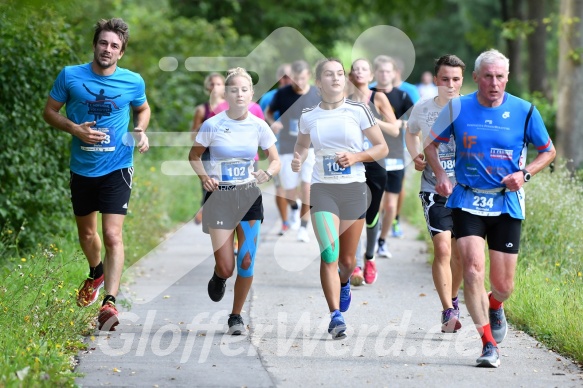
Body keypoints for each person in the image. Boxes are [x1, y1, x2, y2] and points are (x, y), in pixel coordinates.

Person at [426, 49, 556, 367]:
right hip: (467, 199)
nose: (494, 83)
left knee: (503, 285)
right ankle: (487, 344)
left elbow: (548, 151)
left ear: (507, 78)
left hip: (506, 202)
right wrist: (441, 176)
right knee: (471, 270)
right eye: (487, 76)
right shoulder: (458, 107)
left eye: (499, 76)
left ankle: (494, 304)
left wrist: (524, 174)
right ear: (476, 78)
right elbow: (430, 144)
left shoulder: (525, 111)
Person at [42, 18, 151, 331]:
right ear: (95, 45)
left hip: (117, 166)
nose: (108, 49)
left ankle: (110, 302)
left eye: (114, 46)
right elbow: (49, 112)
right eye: (103, 43)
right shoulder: (71, 76)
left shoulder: (133, 81)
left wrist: (140, 129)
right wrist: (74, 128)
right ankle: (95, 271)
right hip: (82, 168)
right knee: (88, 235)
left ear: (121, 53)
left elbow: (142, 108)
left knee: (113, 234)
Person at [292, 58, 388, 339]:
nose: (335, 79)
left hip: (354, 189)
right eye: (328, 75)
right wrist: (298, 158)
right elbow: (301, 143)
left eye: (339, 74)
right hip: (323, 189)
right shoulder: (309, 116)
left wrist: (356, 156)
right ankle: (335, 316)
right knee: (329, 254)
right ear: (318, 82)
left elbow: (381, 147)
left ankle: (344, 282)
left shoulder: (358, 111)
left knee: (346, 261)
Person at [189, 67, 280, 335]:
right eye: (234, 89)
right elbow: (194, 156)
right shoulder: (212, 124)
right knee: (227, 267)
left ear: (251, 94)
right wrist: (205, 177)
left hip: (249, 195)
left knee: (247, 261)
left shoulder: (258, 125)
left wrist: (268, 172)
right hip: (220, 198)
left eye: (244, 89)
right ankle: (219, 277)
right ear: (225, 93)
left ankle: (236, 316)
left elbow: (274, 159)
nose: (239, 94)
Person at [405, 54, 466, 333]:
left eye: (455, 79)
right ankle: (447, 310)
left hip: (466, 190)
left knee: (461, 255)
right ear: (436, 79)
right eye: (445, 79)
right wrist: (415, 155)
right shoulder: (422, 108)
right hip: (433, 187)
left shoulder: (471, 109)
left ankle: (453, 296)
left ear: (462, 80)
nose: (450, 85)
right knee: (442, 248)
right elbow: (411, 132)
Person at [347, 58, 399, 286]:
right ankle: (355, 263)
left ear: (371, 76)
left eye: (364, 69)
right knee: (354, 212)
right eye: (355, 69)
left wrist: (372, 121)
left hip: (376, 163)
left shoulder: (377, 97)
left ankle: (370, 257)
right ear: (350, 76)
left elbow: (395, 130)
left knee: (371, 215)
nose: (359, 72)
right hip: (351, 162)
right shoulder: (343, 100)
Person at [266, 60, 320, 242]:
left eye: (303, 78)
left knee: (307, 187)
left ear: (309, 77)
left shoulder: (317, 93)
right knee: (289, 191)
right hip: (288, 146)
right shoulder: (282, 94)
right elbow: (268, 111)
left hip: (311, 147)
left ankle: (303, 228)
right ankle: (295, 207)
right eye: (296, 79)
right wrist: (273, 122)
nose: (300, 82)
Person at [371, 55, 413, 258]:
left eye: (388, 71)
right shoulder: (367, 95)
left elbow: (415, 122)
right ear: (375, 73)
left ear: (394, 73)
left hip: (396, 154)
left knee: (390, 205)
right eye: (381, 71)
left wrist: (403, 124)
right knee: (375, 204)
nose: (384, 74)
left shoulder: (403, 96)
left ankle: (382, 241)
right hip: (373, 155)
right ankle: (371, 236)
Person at [259, 63, 292, 235]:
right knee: (280, 184)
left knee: (295, 184)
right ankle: (285, 221)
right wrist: (272, 124)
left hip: (297, 148)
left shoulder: (301, 96)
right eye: (284, 76)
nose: (288, 80)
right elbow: (262, 119)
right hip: (277, 147)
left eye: (290, 76)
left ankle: (294, 207)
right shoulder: (269, 97)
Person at [191, 73, 226, 225]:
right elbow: (192, 135)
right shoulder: (201, 109)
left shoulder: (229, 107)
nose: (215, 88)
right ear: (207, 87)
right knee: (209, 186)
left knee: (227, 189)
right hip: (206, 154)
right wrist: (203, 127)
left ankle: (208, 211)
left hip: (226, 155)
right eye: (212, 84)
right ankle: (207, 210)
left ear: (224, 87)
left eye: (219, 84)